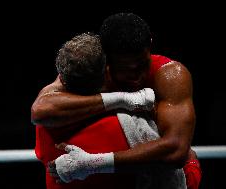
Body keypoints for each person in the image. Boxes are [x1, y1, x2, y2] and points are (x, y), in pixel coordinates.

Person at [32, 13, 201, 189]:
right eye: (125, 69)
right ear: (106, 59)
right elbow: (41, 111)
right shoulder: (89, 72)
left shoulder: (169, 75)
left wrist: (93, 163)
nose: (137, 77)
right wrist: (122, 99)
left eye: (142, 65)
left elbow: (177, 150)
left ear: (150, 44)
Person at [34, 32, 155, 189]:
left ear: (63, 79)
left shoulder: (46, 127)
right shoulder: (128, 123)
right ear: (106, 71)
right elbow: (167, 162)